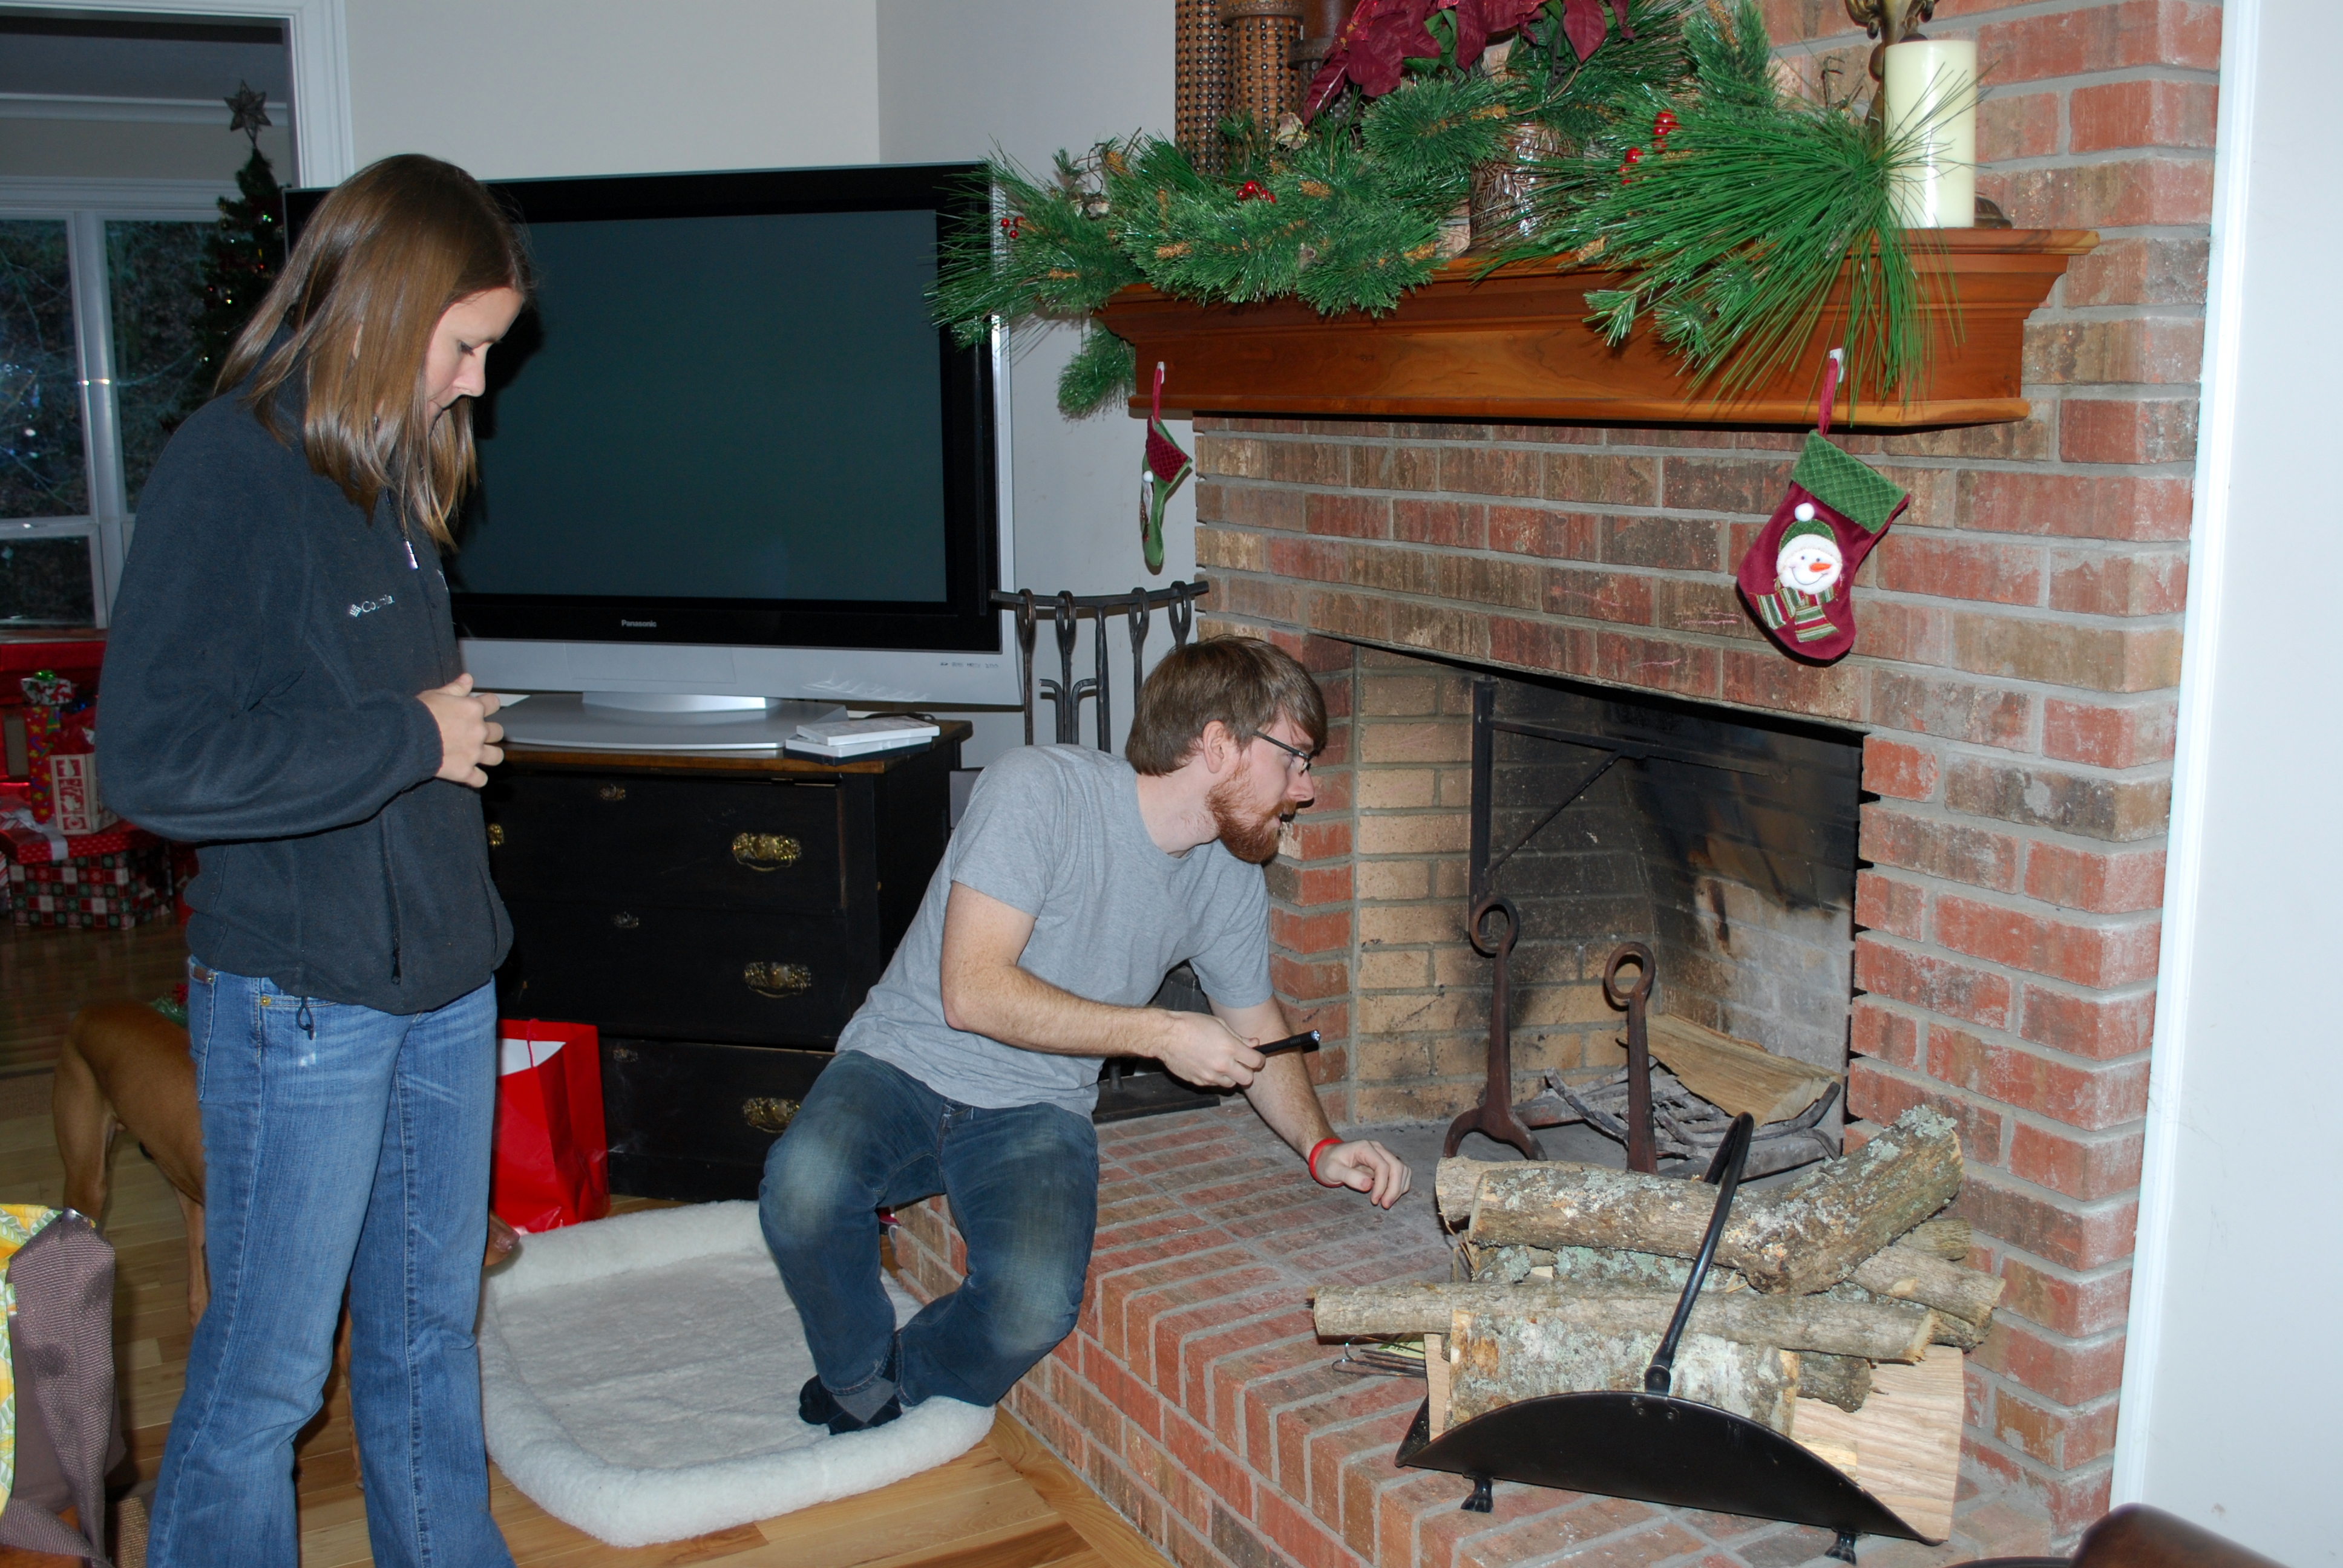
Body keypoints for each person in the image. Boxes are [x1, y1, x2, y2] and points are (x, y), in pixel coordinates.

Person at [99, 154, 529, 1568]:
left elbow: (370, 732)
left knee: (427, 1337)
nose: (477, 384)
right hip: (301, 1004)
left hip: (442, 990)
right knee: (269, 1380)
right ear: (386, 306)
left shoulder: (387, 473)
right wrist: (409, 738)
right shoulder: (226, 469)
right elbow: (154, 762)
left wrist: (424, 749)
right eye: (463, 346)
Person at [762, 636, 1412, 1432]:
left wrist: (1321, 1147)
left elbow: (1259, 1029)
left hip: (1036, 1107)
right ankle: (858, 1379)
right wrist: (1161, 1032)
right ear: (1218, 745)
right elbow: (971, 993)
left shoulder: (1228, 878)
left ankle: (894, 1373)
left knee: (1033, 1309)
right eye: (1296, 759)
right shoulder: (1040, 790)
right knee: (802, 1193)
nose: (1306, 790)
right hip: (904, 1064)